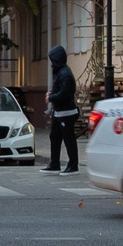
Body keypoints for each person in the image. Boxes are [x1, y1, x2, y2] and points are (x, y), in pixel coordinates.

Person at [43, 44, 79, 174]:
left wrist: (51, 97)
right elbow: (59, 89)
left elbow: (65, 93)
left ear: (57, 59)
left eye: (52, 60)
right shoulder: (60, 72)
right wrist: (51, 94)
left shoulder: (65, 74)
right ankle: (54, 163)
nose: (51, 64)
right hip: (59, 112)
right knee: (55, 137)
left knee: (69, 139)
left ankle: (73, 165)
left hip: (66, 112)